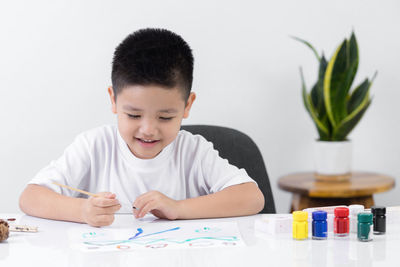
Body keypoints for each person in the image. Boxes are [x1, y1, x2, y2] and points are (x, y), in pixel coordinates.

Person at [19, 28, 265, 227]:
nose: (148, 129)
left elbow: (252, 198)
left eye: (166, 117)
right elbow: (30, 197)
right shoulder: (94, 146)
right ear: (113, 100)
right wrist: (82, 210)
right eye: (134, 115)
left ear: (187, 105)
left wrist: (178, 208)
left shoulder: (193, 151)